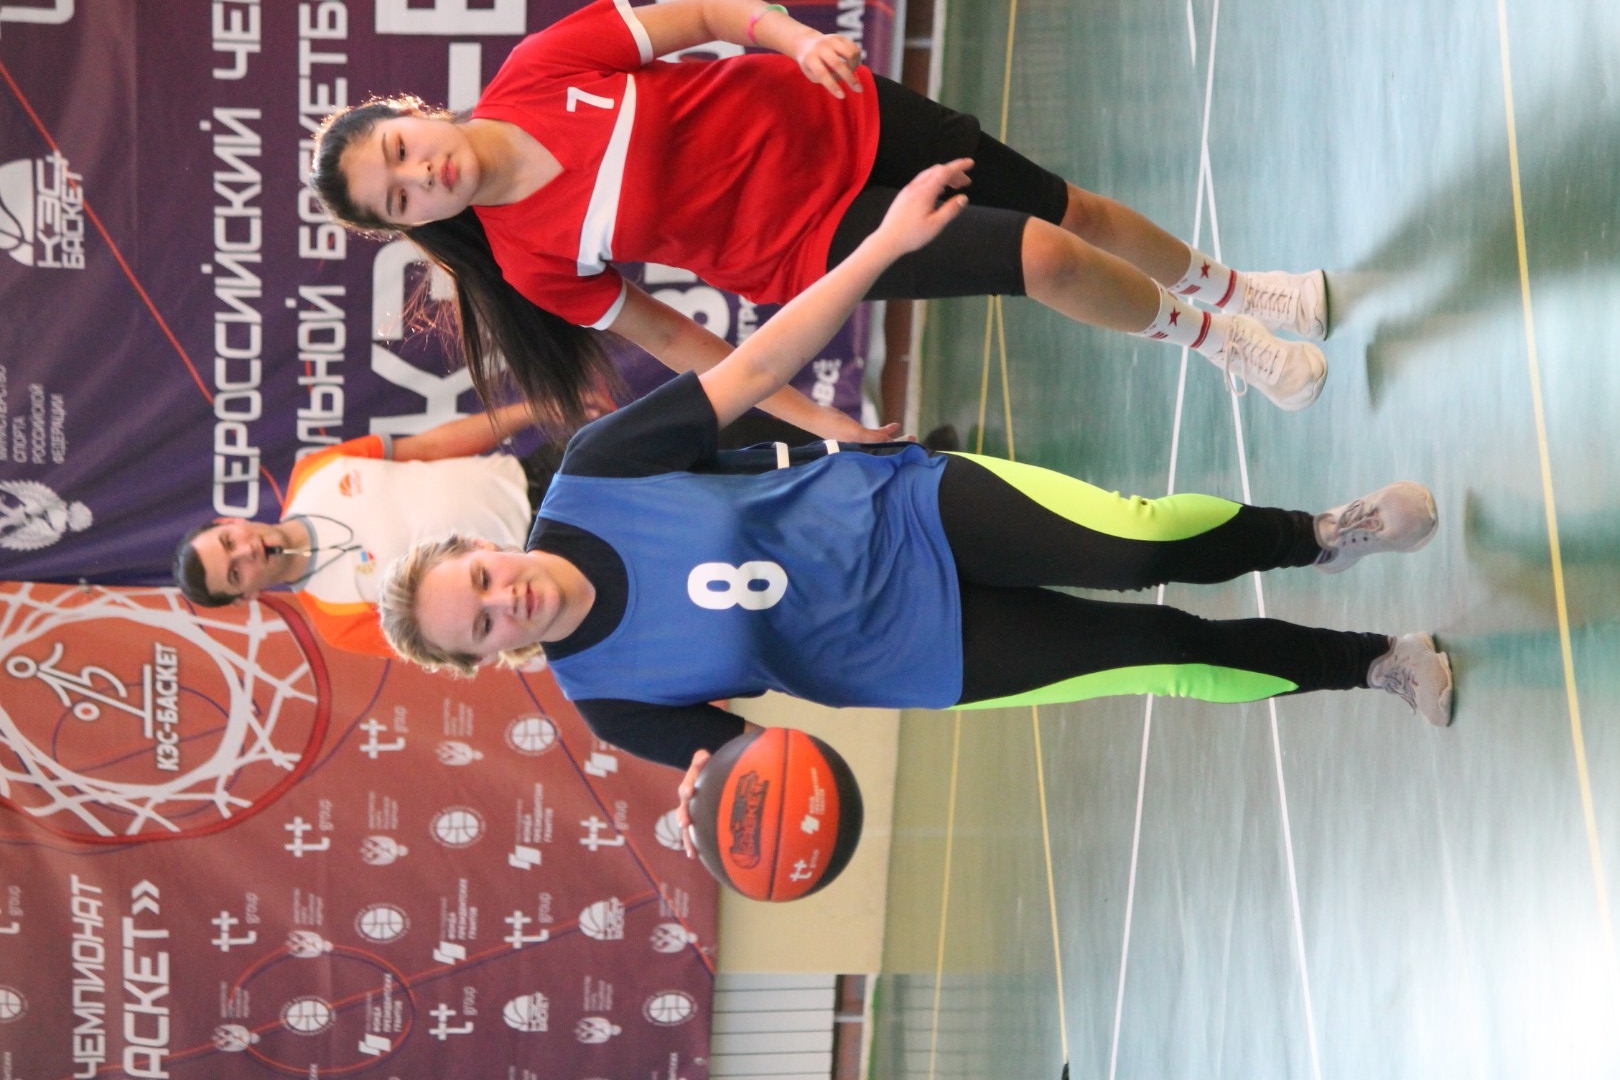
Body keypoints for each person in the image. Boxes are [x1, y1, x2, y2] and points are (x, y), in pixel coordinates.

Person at [373, 162, 1454, 795]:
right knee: (1164, 656)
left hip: (903, 510)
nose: (504, 600)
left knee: (1140, 543)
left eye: (480, 581)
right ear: (491, 657)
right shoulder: (612, 701)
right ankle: (1375, 661)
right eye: (483, 626)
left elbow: (755, 367)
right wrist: (733, 793)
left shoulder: (597, 476)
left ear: (483, 550)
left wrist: (883, 246)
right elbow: (787, 770)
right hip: (923, 655)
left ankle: (1320, 535)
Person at [308, 0, 1329, 441]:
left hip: (840, 113)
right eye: (401, 198)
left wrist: (790, 37)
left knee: (1073, 207)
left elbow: (704, 17)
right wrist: (815, 418)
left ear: (411, 114)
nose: (420, 174)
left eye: (399, 149)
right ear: (409, 225)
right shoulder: (532, 260)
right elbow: (679, 342)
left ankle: (1238, 287)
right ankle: (1219, 340)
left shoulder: (539, 69)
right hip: (811, 244)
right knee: (1044, 256)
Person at [173, 403, 562, 658]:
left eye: (229, 542)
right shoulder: (337, 622)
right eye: (235, 572)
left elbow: (431, 446)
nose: (247, 552)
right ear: (246, 596)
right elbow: (462, 643)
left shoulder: (312, 472)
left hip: (544, 471)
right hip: (541, 566)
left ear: (231, 522)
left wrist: (535, 407)